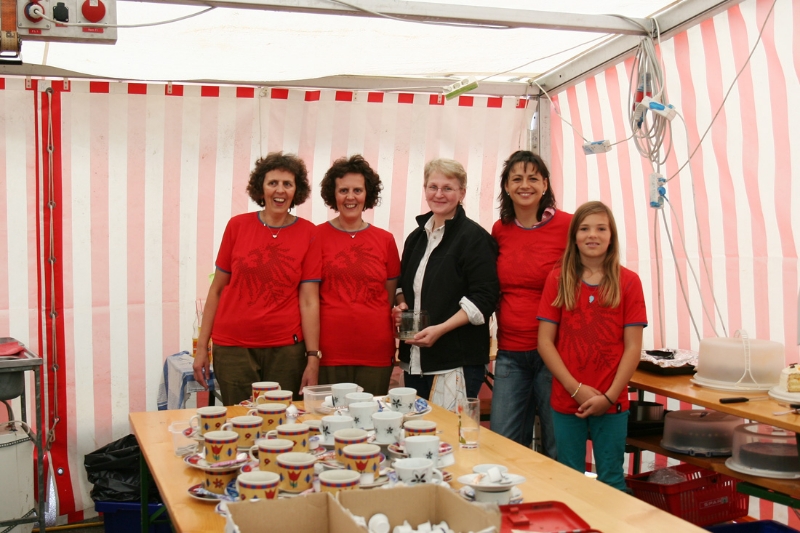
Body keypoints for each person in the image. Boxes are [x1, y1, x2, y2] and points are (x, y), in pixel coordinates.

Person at [192, 152, 320, 405]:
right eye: (273, 183)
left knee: (283, 421)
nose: (280, 190)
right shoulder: (237, 226)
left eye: (287, 184)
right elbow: (216, 290)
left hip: (286, 351)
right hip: (233, 349)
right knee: (239, 421)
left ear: (297, 190)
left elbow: (309, 300)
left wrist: (313, 357)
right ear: (261, 188)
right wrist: (202, 348)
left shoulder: (309, 233)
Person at [536, 201, 646, 491]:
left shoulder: (629, 282)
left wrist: (609, 397)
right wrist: (575, 389)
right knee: (570, 481)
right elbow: (545, 342)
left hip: (612, 401)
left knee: (612, 480)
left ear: (611, 236)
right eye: (584, 229)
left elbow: (633, 348)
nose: (592, 235)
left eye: (601, 228)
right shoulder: (558, 278)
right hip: (567, 399)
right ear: (574, 236)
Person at [393, 158, 499, 410]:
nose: (439, 194)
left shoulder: (474, 238)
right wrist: (400, 306)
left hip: (456, 362)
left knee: (449, 432)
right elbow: (402, 285)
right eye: (433, 187)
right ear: (425, 189)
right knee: (416, 430)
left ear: (462, 193)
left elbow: (484, 298)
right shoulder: (415, 238)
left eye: (448, 188)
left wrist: (440, 329)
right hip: (414, 362)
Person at [489, 151, 571, 458]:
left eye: (533, 178)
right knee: (504, 446)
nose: (525, 185)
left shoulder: (568, 225)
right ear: (506, 186)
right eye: (517, 179)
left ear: (545, 184)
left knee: (558, 446)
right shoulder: (500, 230)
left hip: (556, 354)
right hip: (511, 353)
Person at [306, 155, 400, 395]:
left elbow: (387, 298)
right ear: (333, 194)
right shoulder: (315, 236)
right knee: (328, 415)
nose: (350, 197)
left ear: (367, 194)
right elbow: (309, 298)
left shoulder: (386, 240)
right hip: (329, 351)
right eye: (343, 190)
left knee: (373, 415)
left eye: (357, 190)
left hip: (376, 352)